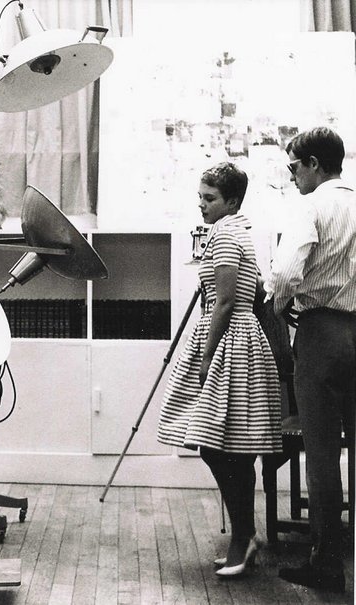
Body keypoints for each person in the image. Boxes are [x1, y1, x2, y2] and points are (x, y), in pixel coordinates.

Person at [157, 162, 283, 577]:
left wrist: (208, 354)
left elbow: (226, 303)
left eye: (210, 199)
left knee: (221, 446)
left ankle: (244, 537)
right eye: (200, 198)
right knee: (224, 444)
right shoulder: (239, 231)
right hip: (239, 337)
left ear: (231, 200)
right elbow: (257, 288)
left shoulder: (226, 233)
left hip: (230, 341)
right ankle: (245, 534)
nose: (202, 206)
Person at [266, 126, 355, 592]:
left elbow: (284, 272)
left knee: (321, 454)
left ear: (315, 164)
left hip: (322, 331)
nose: (292, 175)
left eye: (294, 166)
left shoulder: (311, 206)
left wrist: (281, 305)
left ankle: (326, 562)